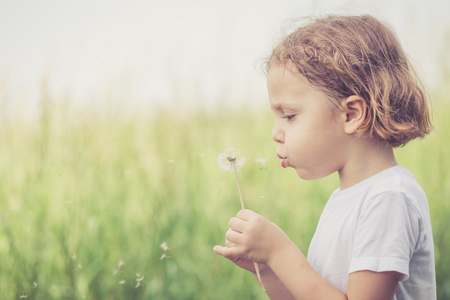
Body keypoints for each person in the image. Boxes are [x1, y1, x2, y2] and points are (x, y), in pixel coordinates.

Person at [213, 15, 436, 299]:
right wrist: (269, 266)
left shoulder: (389, 197)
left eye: (289, 116)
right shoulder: (347, 198)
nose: (275, 133)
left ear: (352, 114)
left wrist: (280, 252)